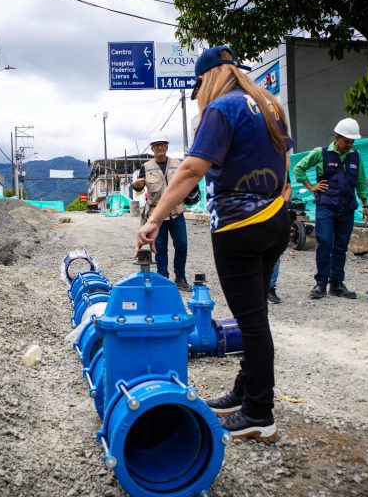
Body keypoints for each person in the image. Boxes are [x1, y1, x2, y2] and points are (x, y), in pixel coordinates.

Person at [136, 45, 292, 441]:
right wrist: (275, 204)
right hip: (274, 219)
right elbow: (286, 167)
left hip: (240, 226)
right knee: (254, 315)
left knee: (251, 320)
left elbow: (191, 169)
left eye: (199, 85)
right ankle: (245, 391)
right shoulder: (270, 105)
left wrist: (154, 219)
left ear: (207, 78)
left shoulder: (222, 108)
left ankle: (260, 412)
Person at [293, 118, 368, 299]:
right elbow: (299, 168)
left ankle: (336, 284)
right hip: (326, 207)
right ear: (337, 137)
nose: (349, 145)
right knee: (325, 242)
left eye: (352, 141)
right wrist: (311, 186)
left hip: (347, 208)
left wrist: (365, 205)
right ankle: (321, 284)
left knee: (341, 247)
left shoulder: (356, 156)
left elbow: (360, 181)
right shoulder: (320, 153)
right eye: (346, 141)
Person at [132, 132, 190, 291]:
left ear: (167, 146)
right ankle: (163, 278)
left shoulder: (178, 163)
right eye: (157, 145)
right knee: (160, 248)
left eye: (163, 144)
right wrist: (137, 184)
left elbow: (188, 181)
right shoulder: (146, 167)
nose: (160, 147)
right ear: (152, 148)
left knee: (182, 245)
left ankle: (180, 277)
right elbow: (139, 188)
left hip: (177, 212)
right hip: (157, 215)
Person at [268, 177, 293, 304]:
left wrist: (284, 205)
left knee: (274, 253)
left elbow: (288, 187)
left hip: (275, 213)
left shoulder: (280, 161)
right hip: (252, 215)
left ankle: (270, 288)